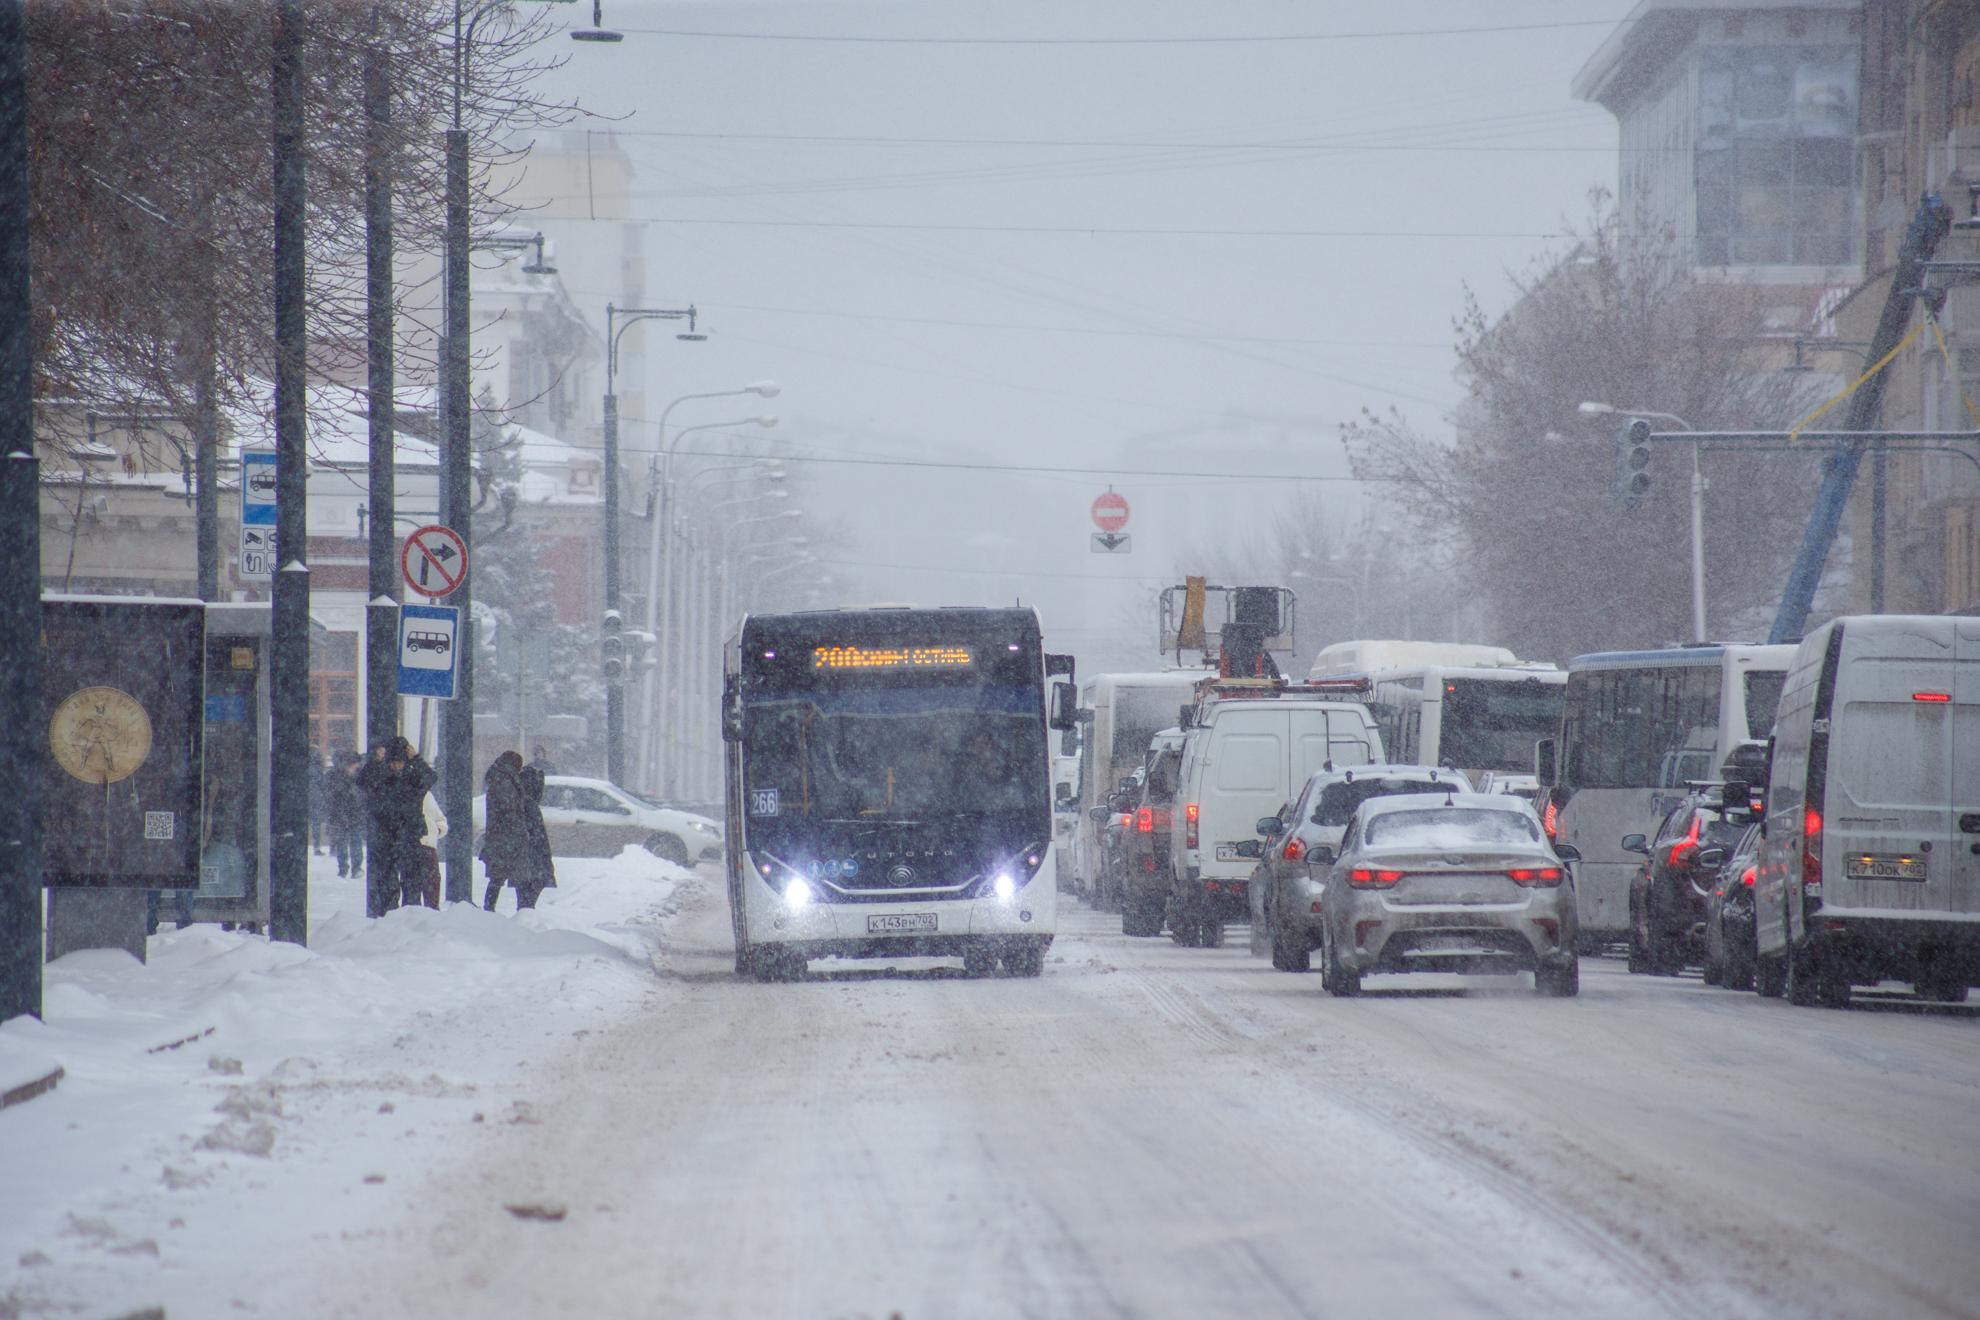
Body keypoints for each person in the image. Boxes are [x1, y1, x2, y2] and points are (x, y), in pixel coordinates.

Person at [356, 736, 437, 915]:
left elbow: (431, 777)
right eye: (392, 762)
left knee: (410, 879)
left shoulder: (412, 776)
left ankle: (409, 912)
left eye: (399, 762)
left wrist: (417, 759)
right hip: (390, 834)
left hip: (407, 834)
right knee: (389, 879)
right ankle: (391, 912)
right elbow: (361, 781)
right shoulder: (382, 775)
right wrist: (376, 761)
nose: (395, 766)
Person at [480, 750, 530, 912]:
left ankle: (492, 908)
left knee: (499, 876)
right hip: (507, 837)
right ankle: (523, 910)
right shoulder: (505, 781)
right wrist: (519, 828)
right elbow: (508, 807)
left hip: (500, 837)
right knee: (516, 875)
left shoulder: (498, 777)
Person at [514, 764, 557, 910]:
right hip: (532, 860)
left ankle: (525, 910)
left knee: (525, 892)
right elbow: (538, 838)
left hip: (526, 860)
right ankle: (525, 912)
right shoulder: (529, 805)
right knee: (529, 893)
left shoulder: (522, 802)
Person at [328, 749, 366, 880]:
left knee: (354, 841)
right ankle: (344, 868)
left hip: (354, 814)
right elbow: (335, 797)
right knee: (344, 842)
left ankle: (355, 868)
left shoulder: (359, 777)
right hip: (344, 814)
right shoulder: (339, 777)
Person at [416, 787, 447, 909]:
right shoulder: (406, 792)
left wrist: (438, 829)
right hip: (414, 844)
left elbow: (440, 819)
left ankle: (432, 910)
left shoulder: (428, 795)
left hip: (429, 844)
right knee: (417, 882)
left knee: (432, 880)